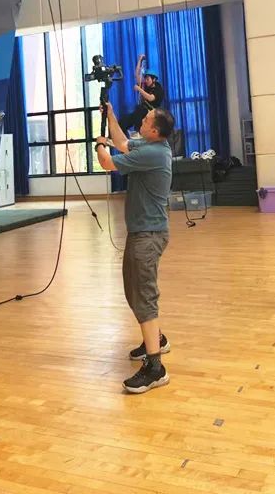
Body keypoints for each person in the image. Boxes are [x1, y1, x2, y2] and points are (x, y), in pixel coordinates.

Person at [95, 102, 175, 394]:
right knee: (133, 291)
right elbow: (122, 143)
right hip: (141, 231)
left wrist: (99, 144)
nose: (142, 120)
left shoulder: (153, 153)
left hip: (148, 235)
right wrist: (110, 115)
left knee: (144, 297)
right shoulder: (151, 145)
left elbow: (108, 162)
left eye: (147, 119)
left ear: (154, 131)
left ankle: (155, 369)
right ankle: (157, 339)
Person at [119, 54, 165, 136]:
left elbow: (151, 98)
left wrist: (139, 89)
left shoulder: (158, 88)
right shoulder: (146, 85)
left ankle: (138, 132)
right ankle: (121, 136)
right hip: (141, 111)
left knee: (140, 110)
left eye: (148, 79)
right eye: (145, 79)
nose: (146, 81)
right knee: (123, 122)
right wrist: (139, 60)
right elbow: (137, 75)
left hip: (151, 112)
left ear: (154, 79)